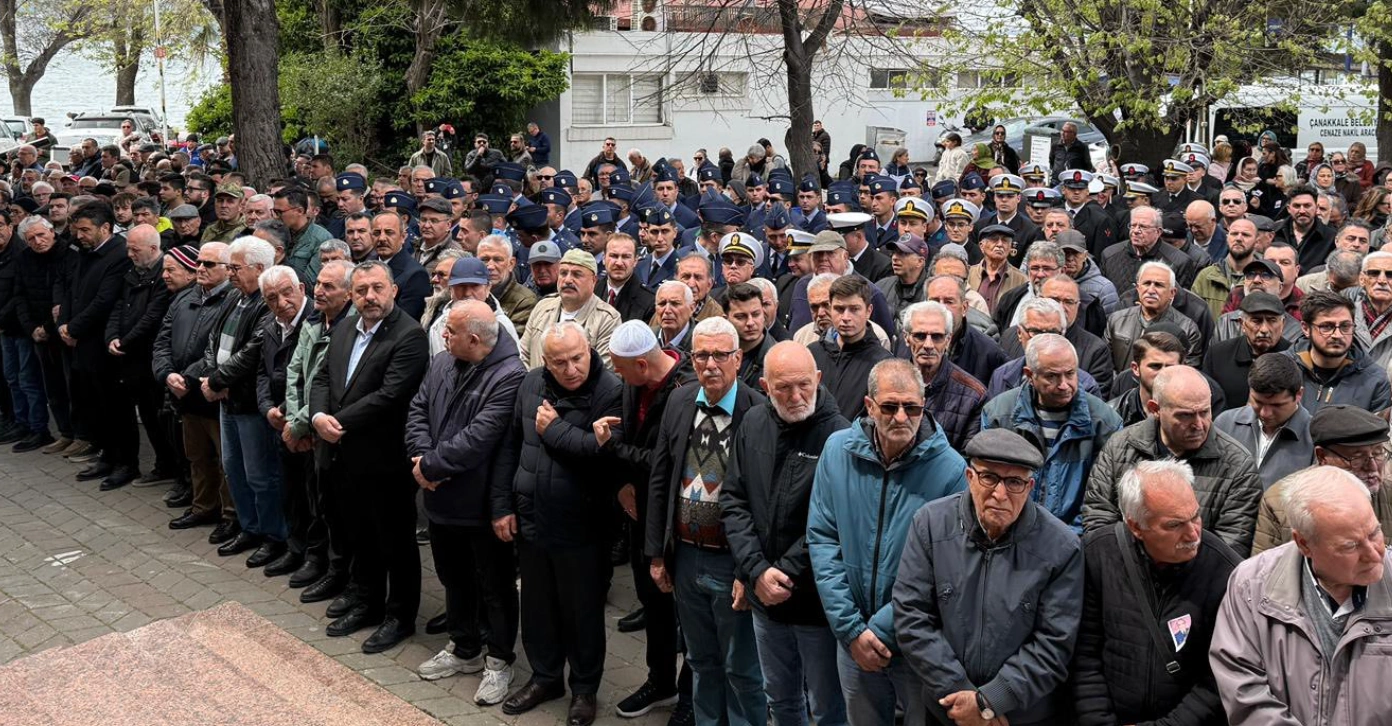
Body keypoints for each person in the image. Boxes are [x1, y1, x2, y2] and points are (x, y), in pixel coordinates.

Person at [807, 358, 967, 726]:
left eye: (911, 407)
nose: (900, 417)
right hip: (852, 638)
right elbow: (823, 539)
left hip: (918, 643)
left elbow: (946, 569)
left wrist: (879, 631)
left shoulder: (953, 471)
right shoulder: (837, 452)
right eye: (889, 406)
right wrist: (850, 629)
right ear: (869, 406)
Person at [895, 424, 1084, 725]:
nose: (1000, 493)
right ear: (970, 477)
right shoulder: (930, 524)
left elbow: (1054, 642)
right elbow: (911, 617)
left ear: (1030, 487)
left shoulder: (1062, 546)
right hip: (947, 709)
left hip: (1019, 716)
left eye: (1014, 482)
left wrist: (991, 700)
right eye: (989, 477)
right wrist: (964, 699)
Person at [720, 341, 850, 726]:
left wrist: (783, 572)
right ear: (764, 386)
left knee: (828, 707)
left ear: (819, 379)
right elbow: (734, 498)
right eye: (783, 388)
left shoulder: (839, 438)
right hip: (766, 600)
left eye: (804, 385)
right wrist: (755, 570)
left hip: (816, 605)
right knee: (780, 700)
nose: (796, 397)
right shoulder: (755, 424)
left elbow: (833, 523)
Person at [646, 317, 768, 726]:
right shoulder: (680, 403)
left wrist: (747, 570)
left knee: (742, 670)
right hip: (685, 559)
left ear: (738, 358)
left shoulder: (758, 412)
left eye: (720, 355)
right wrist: (656, 554)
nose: (710, 364)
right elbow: (660, 479)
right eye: (701, 355)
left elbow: (762, 503)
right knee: (700, 662)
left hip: (729, 562)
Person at [405, 301, 525, 704]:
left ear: (473, 339)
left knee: (495, 586)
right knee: (452, 577)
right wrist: (423, 459)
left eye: (451, 332)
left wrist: (431, 467)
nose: (443, 335)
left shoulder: (510, 376)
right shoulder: (442, 362)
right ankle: (464, 647)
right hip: (441, 498)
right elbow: (418, 408)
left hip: (480, 505)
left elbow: (479, 438)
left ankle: (500, 660)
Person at [310, 261, 430, 654]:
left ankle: (400, 616)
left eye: (377, 288)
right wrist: (317, 415)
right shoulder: (344, 326)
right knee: (357, 532)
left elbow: (391, 395)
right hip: (343, 454)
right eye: (361, 290)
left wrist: (336, 422)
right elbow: (324, 376)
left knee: (395, 541)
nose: (369, 297)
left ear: (393, 290)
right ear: (351, 295)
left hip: (385, 460)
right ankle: (368, 601)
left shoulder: (409, 335)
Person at [1210, 468, 1392, 723]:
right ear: (1304, 544)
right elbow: (1243, 687)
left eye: (1374, 533)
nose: (1374, 554)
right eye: (1350, 546)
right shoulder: (1251, 586)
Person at [1072, 460, 1241, 726]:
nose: (1193, 534)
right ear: (1136, 526)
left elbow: (1220, 677)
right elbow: (1084, 656)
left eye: (1195, 516)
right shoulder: (1099, 554)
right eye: (1174, 525)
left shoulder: (1226, 571)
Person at [1085, 365, 1264, 555]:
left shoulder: (1237, 465)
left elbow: (1229, 548)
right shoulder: (1120, 447)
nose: (1198, 424)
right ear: (1155, 409)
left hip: (1198, 581)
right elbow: (1098, 518)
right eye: (1185, 415)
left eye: (1204, 412)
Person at [981, 333, 1122, 530]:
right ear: (1030, 375)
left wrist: (1066, 538)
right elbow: (989, 484)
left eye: (1070, 373)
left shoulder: (1104, 422)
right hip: (1010, 531)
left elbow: (1101, 499)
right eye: (1052, 376)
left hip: (1074, 538)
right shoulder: (999, 414)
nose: (1064, 385)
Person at [199, 238, 284, 566]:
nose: (229, 273)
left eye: (236, 267)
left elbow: (254, 351)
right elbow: (213, 339)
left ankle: (273, 534)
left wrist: (219, 381)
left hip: (247, 401)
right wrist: (210, 376)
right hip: (226, 399)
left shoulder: (267, 303)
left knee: (260, 474)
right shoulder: (235, 297)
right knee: (234, 469)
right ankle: (249, 527)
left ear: (260, 269)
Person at [281, 260, 355, 600]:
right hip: (307, 426)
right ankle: (316, 557)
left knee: (335, 508)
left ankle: (338, 570)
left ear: (348, 293)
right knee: (314, 500)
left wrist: (300, 424)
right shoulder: (314, 322)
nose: (319, 291)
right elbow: (296, 373)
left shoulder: (350, 328)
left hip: (325, 429)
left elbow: (329, 383)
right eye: (318, 284)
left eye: (329, 286)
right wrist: (293, 420)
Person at [62, 202, 138, 490]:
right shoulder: (85, 253)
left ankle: (126, 462)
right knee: (95, 404)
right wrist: (65, 324)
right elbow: (73, 289)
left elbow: (104, 301)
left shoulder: (118, 254)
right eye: (77, 229)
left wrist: (74, 327)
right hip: (82, 342)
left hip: (102, 343)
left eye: (85, 230)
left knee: (116, 407)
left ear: (105, 228)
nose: (79, 235)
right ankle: (107, 453)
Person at [106, 224, 179, 485]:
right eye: (128, 248)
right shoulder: (133, 272)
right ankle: (156, 464)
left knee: (158, 415)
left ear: (152, 248)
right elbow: (119, 306)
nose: (129, 254)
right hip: (130, 355)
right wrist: (112, 336)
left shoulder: (163, 275)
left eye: (134, 249)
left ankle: (169, 465)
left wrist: (124, 341)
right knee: (146, 415)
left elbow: (152, 316)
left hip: (148, 356)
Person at [1213, 352, 1314, 488]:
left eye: (1276, 405)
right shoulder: (1225, 424)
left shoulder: (1314, 436)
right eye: (1258, 402)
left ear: (1299, 395)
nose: (1265, 413)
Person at [1291, 290, 1392, 416]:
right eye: (1327, 326)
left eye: (1345, 326)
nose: (1337, 335)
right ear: (1306, 328)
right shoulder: (1283, 368)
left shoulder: (1374, 381)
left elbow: (1379, 433)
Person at [901, 301, 985, 451]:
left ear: (948, 340)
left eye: (937, 337)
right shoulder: (887, 382)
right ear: (906, 338)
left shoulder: (973, 396)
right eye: (920, 336)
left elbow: (969, 459)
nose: (928, 345)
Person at [808, 275, 893, 420]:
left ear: (868, 311)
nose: (846, 317)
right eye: (839, 309)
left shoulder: (883, 364)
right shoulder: (811, 353)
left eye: (854, 309)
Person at [520, 249, 621, 369]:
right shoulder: (542, 307)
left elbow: (604, 372)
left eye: (577, 274)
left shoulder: (607, 319)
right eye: (563, 273)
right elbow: (523, 356)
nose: (567, 280)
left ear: (593, 281)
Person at [1203, 291, 1293, 410]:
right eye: (1256, 321)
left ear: (1283, 324)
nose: (1264, 329)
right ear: (1242, 324)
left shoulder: (1294, 358)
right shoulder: (1218, 356)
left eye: (1272, 321)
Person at [1100, 205, 1199, 292]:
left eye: (1143, 227)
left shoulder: (1179, 262)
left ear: (1158, 232)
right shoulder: (1109, 255)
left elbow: (1181, 302)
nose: (1135, 231)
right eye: (1133, 225)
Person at [598, 234, 656, 323]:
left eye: (626, 257)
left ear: (635, 261)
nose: (619, 263)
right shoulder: (591, 291)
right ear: (604, 258)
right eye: (614, 256)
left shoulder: (649, 301)